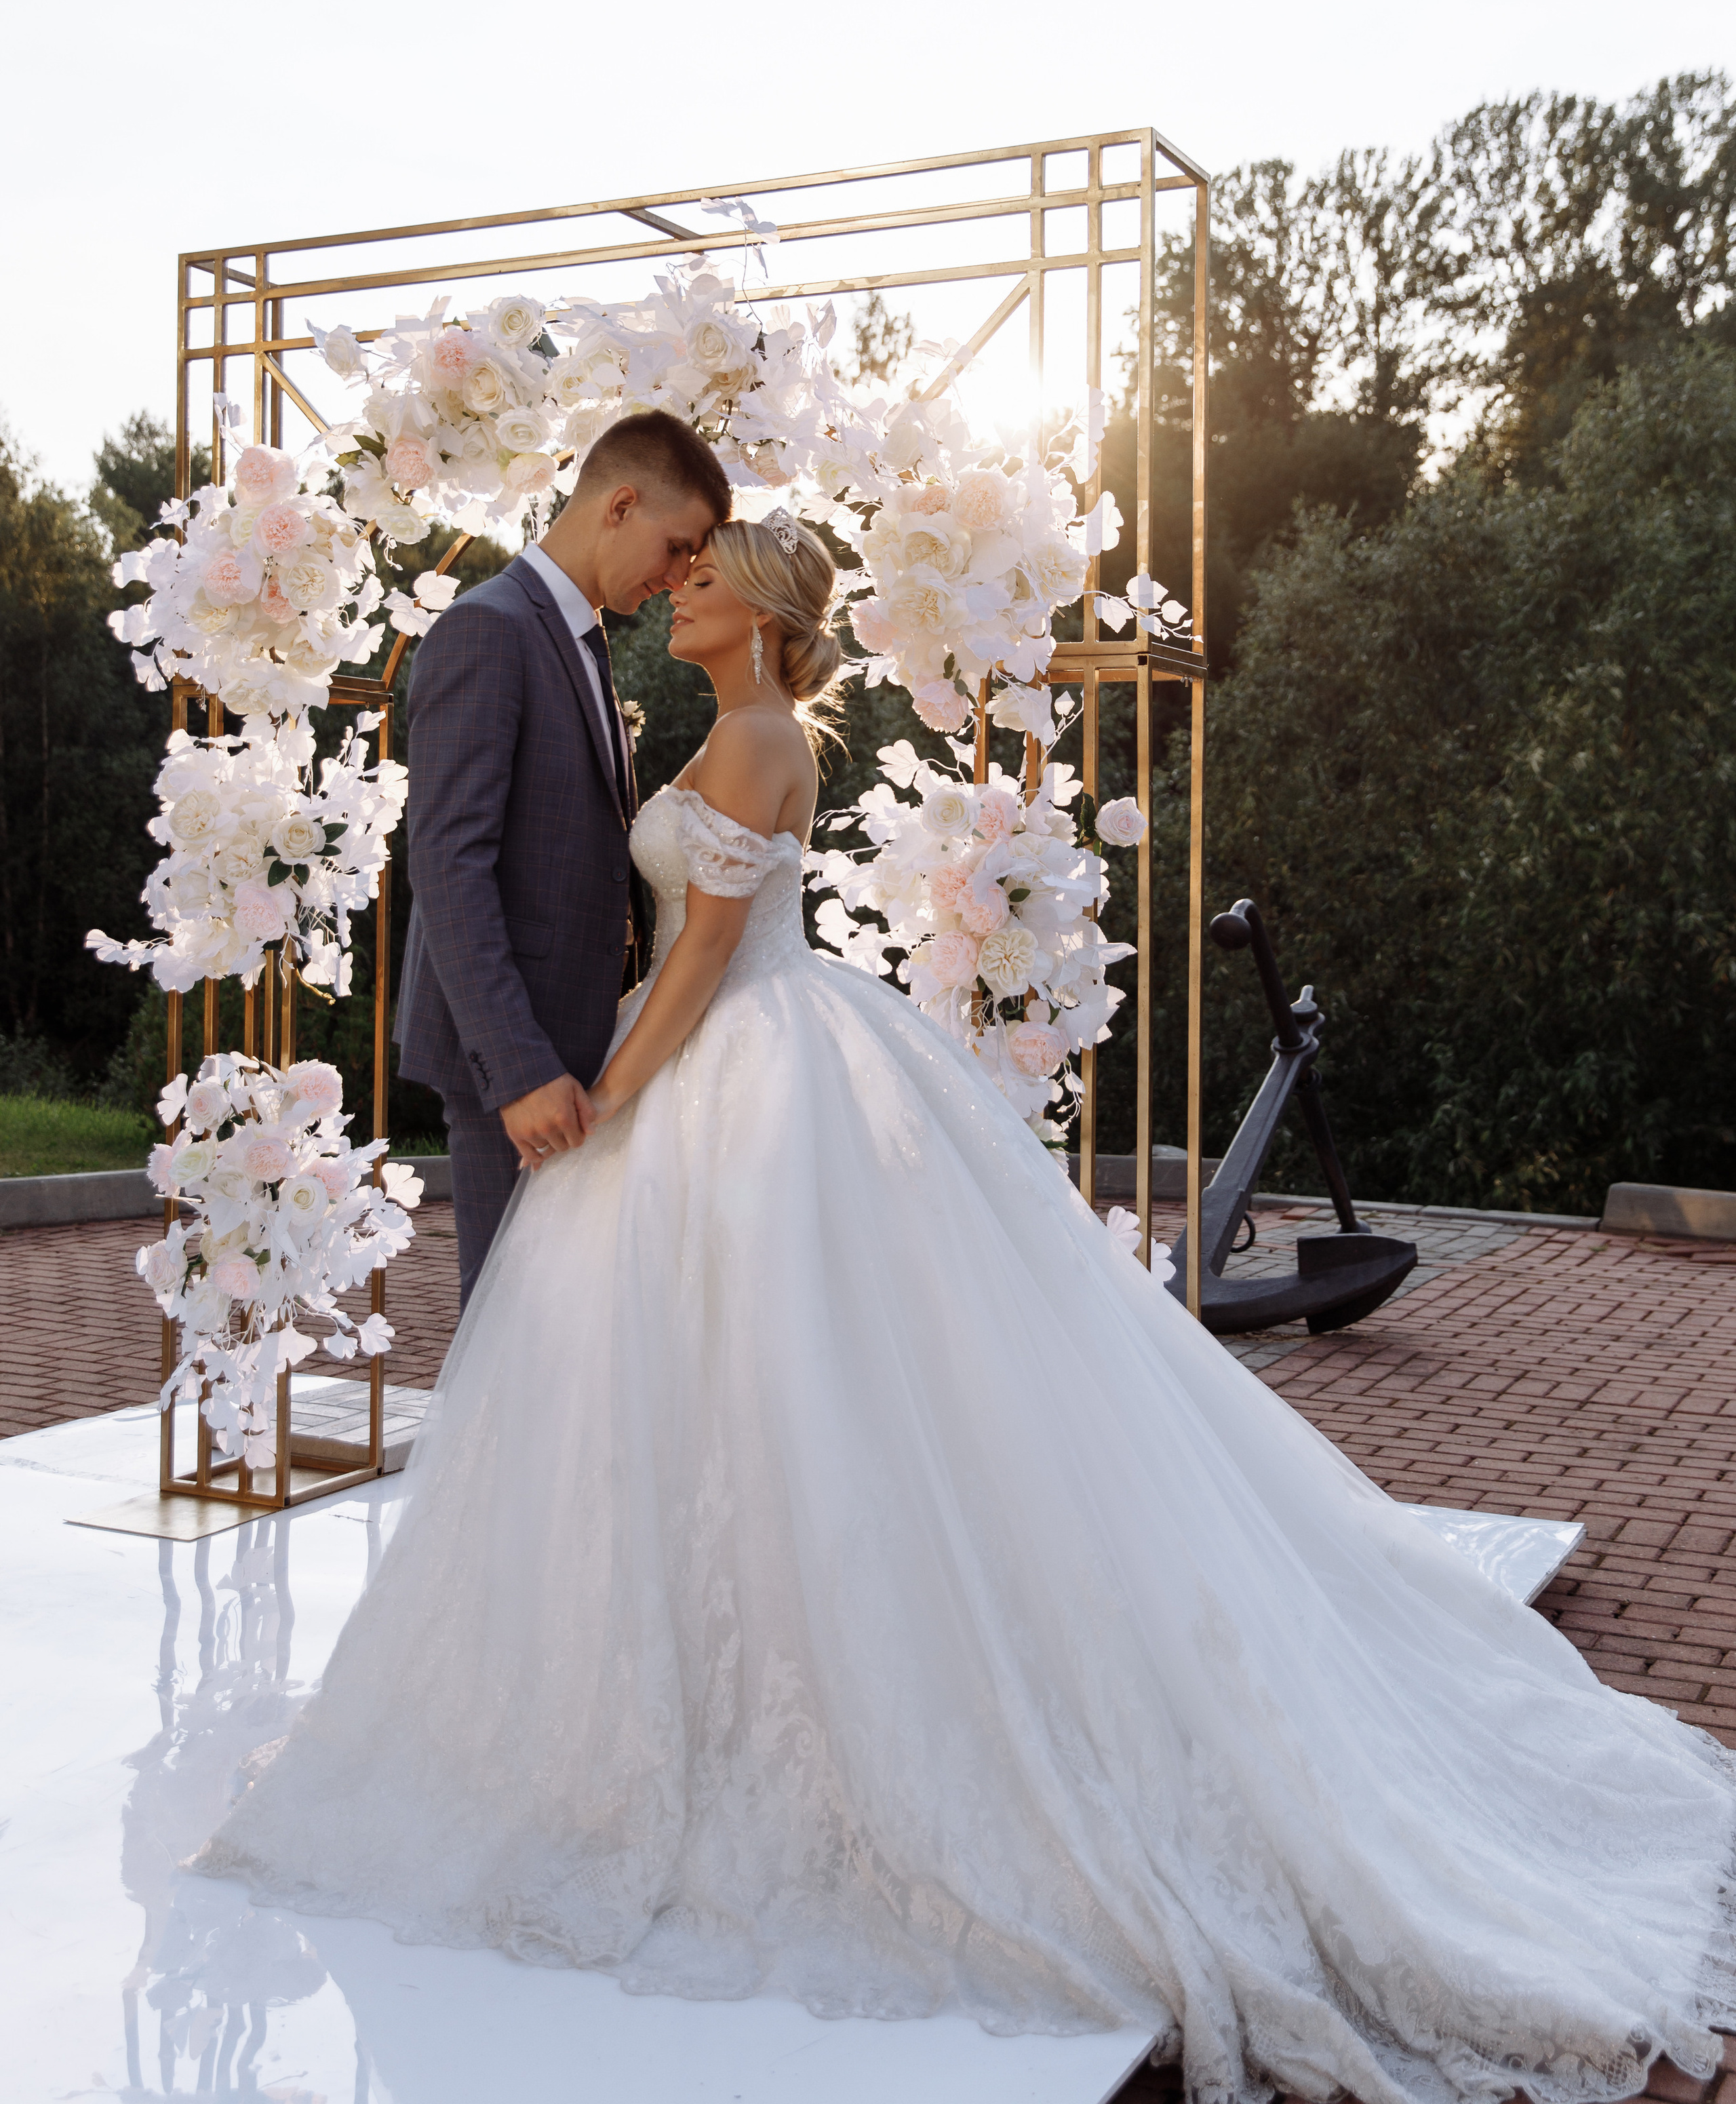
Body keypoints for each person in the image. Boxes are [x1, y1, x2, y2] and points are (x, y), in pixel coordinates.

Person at [198, 510, 1736, 2104]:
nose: (679, 588)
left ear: (760, 610)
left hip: (730, 1069)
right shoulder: (736, 727)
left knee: (785, 1380)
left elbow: (701, 963)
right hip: (762, 1060)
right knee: (746, 1385)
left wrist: (595, 1105)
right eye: (682, 569)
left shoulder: (750, 740)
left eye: (703, 577)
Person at [393, 408, 731, 1308]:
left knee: (562, 1342)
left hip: (576, 1052)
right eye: (676, 546)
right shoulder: (489, 629)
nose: (675, 577)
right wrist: (519, 1068)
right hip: (519, 1065)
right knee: (512, 1335)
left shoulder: (580, 642)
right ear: (621, 504)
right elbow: (447, 865)